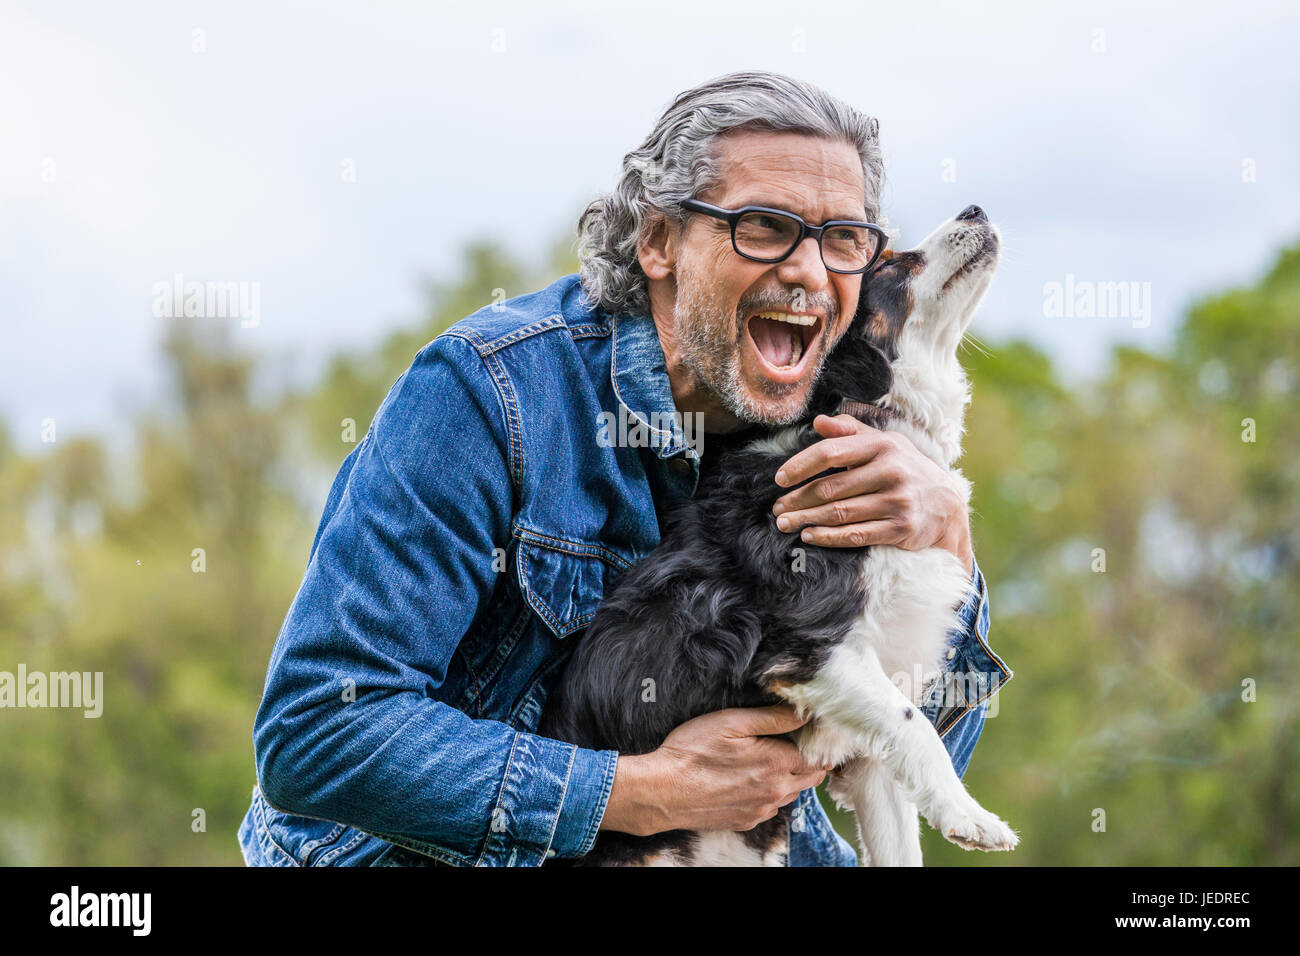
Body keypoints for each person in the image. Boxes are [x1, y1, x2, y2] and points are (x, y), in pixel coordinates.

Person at [237, 70, 1011, 867]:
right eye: (765, 226)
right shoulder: (487, 394)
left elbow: (922, 767)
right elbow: (319, 730)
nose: (810, 274)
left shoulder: (847, 418)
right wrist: (642, 792)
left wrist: (947, 537)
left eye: (844, 238)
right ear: (657, 241)